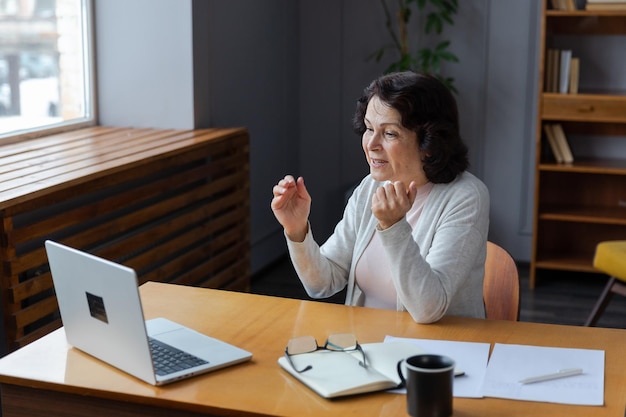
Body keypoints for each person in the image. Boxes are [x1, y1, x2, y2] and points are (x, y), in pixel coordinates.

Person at [270, 71, 489, 323]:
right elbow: (323, 283)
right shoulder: (371, 187)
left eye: (390, 133)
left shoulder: (466, 197)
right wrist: (297, 230)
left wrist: (394, 227)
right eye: (369, 128)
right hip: (367, 350)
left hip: (433, 356)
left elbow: (428, 308)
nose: (371, 144)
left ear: (429, 145)